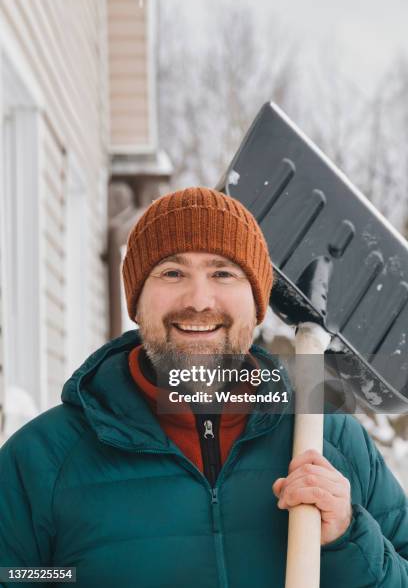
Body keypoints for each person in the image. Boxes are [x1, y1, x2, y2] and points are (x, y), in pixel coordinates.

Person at [0, 187, 407, 588]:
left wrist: (349, 538)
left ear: (257, 302)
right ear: (137, 301)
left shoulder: (332, 441)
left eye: (223, 273)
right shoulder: (41, 461)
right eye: (172, 272)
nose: (198, 300)